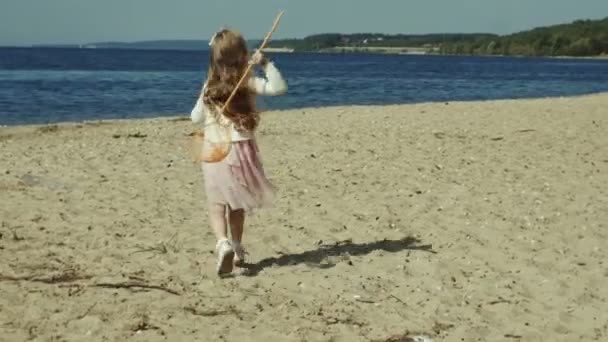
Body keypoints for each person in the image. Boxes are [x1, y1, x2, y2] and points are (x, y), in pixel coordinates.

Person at [190, 28, 288, 276]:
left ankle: (222, 242)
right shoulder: (248, 83)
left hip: (215, 152)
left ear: (214, 59)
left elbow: (194, 118)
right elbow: (278, 88)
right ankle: (237, 246)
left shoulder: (209, 87)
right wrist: (265, 64)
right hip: (241, 153)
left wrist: (207, 106)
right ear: (244, 56)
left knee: (216, 204)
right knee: (237, 205)